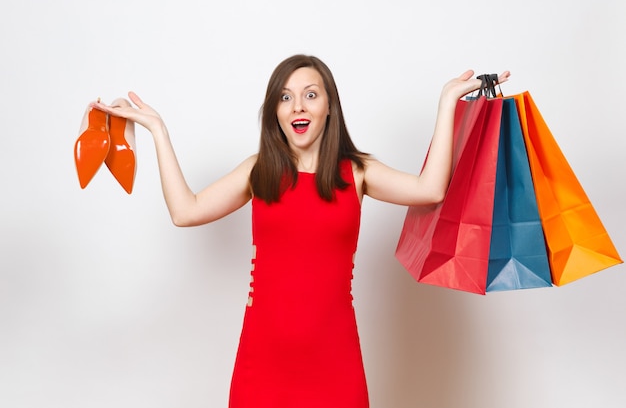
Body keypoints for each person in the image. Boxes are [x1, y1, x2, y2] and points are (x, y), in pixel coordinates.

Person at [90, 54, 509, 408]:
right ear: (275, 111)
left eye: (311, 95)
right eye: (286, 98)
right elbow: (185, 211)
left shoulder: (357, 171)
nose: (298, 107)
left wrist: (447, 105)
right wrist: (158, 130)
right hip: (264, 358)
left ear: (329, 106)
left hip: (335, 358)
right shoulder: (259, 171)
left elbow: (430, 189)